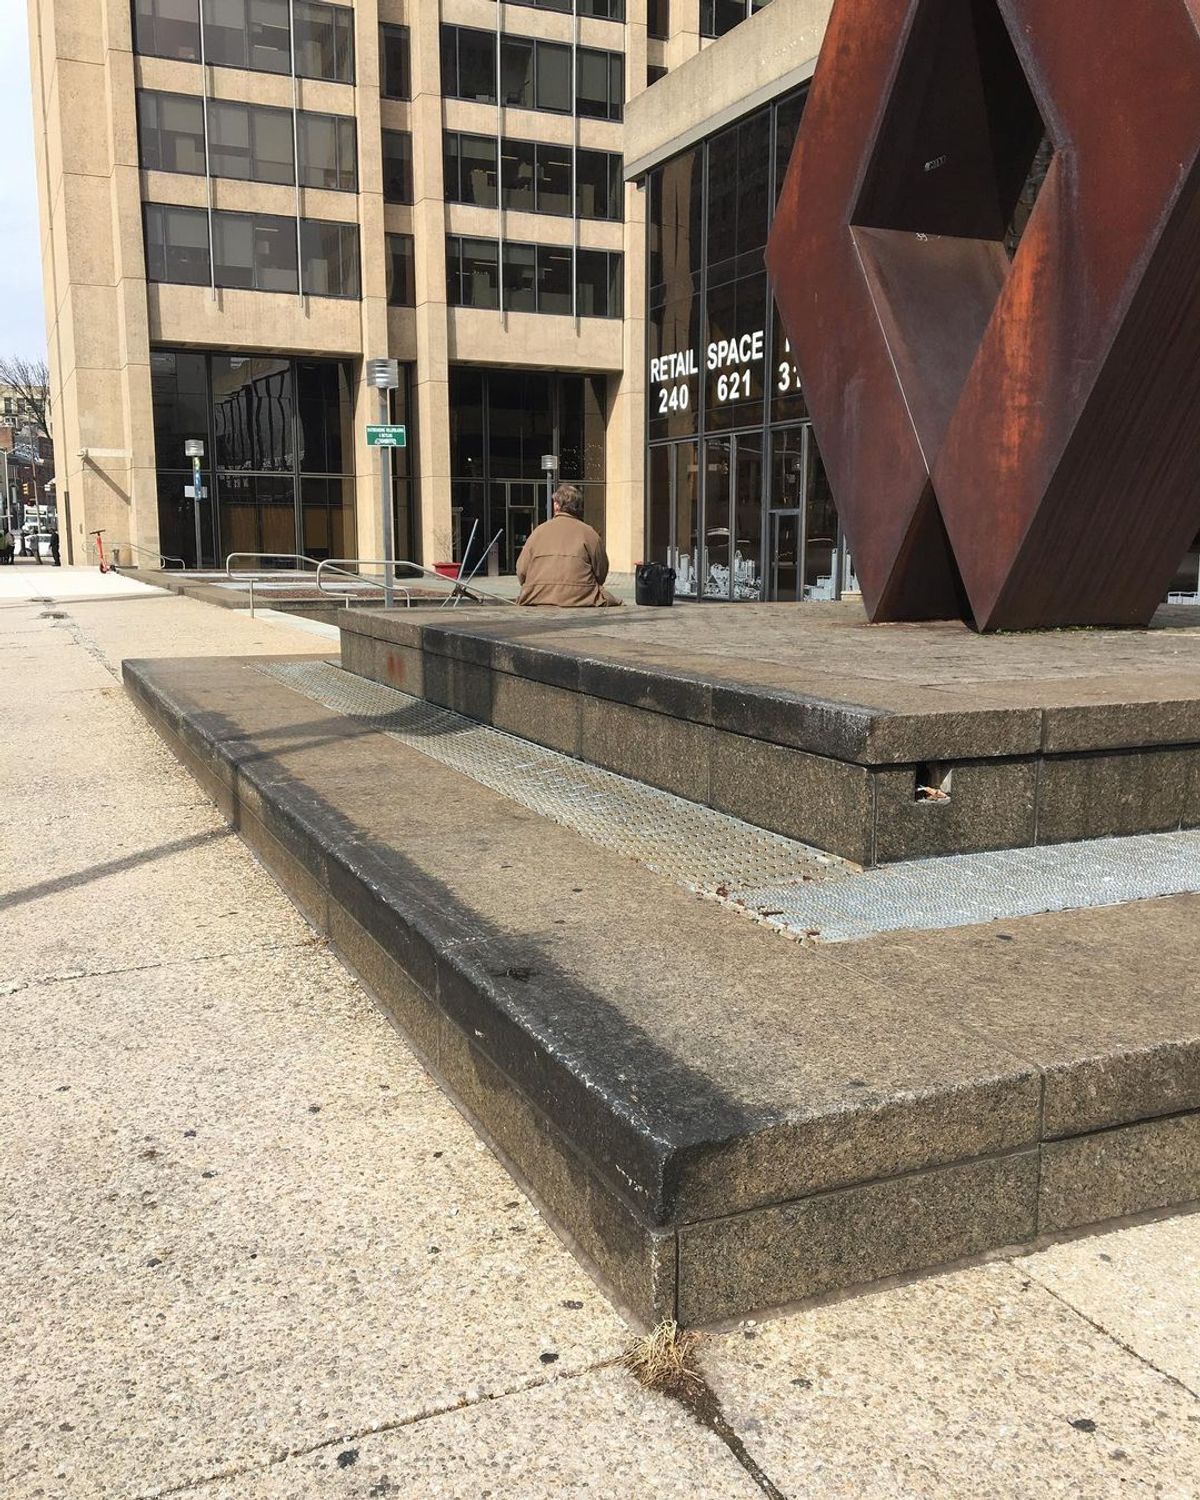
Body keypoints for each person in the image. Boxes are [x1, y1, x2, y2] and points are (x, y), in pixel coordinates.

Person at [516, 484, 621, 607]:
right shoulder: (589, 533)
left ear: (556, 505)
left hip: (537, 596)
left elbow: (521, 570)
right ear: (578, 507)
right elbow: (601, 570)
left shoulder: (538, 532)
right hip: (583, 596)